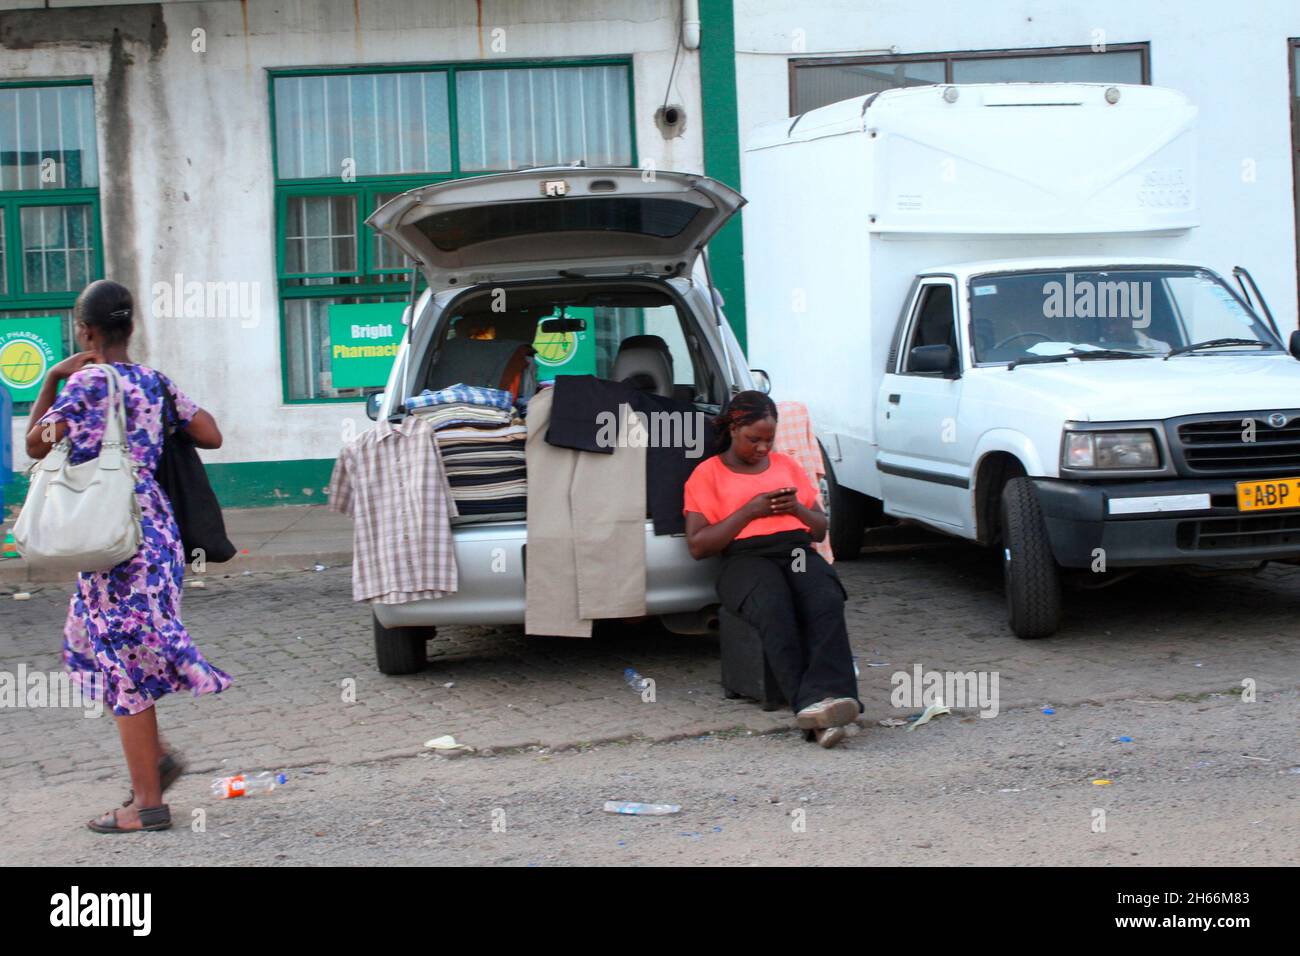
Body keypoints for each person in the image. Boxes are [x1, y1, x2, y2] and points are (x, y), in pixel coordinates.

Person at [24, 279, 232, 832]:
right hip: (154, 534)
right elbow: (209, 434)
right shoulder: (155, 383)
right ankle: (156, 759)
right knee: (85, 640)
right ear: (131, 327)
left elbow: (34, 443)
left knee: (125, 669)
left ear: (85, 332)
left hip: (118, 540)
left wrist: (52, 379)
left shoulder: (87, 384)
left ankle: (147, 806)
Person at [683, 391, 862, 748]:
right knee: (774, 605)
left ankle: (832, 701)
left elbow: (819, 529)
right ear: (733, 429)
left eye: (769, 440)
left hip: (794, 551)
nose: (763, 449)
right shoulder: (707, 474)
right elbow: (699, 546)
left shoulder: (787, 466)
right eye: (754, 440)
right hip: (745, 558)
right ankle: (813, 708)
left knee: (824, 599)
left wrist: (796, 508)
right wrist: (749, 511)